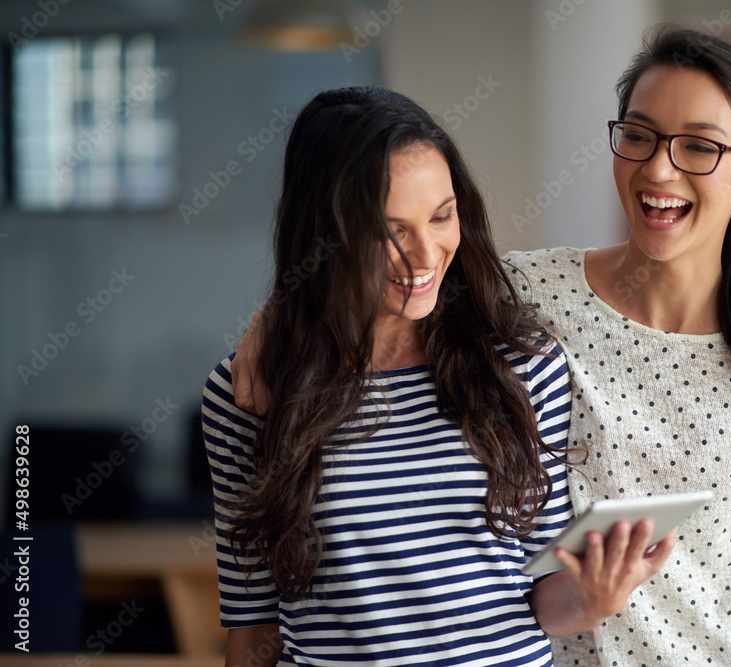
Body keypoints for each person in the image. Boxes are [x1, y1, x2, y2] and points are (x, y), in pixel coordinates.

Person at [231, 29, 731, 666]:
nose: (658, 167)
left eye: (699, 146)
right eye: (639, 134)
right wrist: (272, 324)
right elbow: (374, 275)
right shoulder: (525, 297)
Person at [203, 86, 676, 667]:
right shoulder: (249, 393)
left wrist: (595, 597)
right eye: (391, 229)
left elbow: (541, 600)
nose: (425, 255)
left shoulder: (523, 367)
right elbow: (252, 628)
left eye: (441, 215)